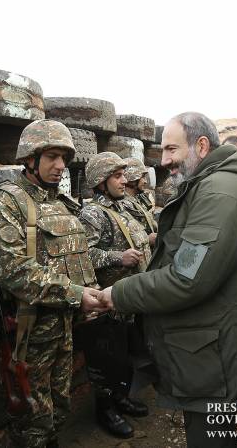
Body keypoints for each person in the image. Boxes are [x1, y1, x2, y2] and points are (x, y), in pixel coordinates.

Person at [94, 112, 237, 448]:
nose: (164, 161)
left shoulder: (221, 193)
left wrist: (115, 294)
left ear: (202, 145)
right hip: (211, 347)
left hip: (217, 355)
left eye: (171, 150)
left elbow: (186, 278)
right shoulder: (213, 186)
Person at [0, 119, 101, 448]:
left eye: (63, 157)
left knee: (59, 408)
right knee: (33, 420)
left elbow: (75, 255)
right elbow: (13, 272)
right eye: (51, 156)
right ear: (29, 159)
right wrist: (77, 294)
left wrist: (84, 295)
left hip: (63, 327)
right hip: (30, 334)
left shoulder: (59, 201)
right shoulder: (7, 204)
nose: (60, 165)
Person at [77, 152, 152, 439]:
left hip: (128, 299)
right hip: (109, 303)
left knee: (125, 356)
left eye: (124, 176)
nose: (124, 181)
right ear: (100, 181)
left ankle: (121, 398)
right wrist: (117, 257)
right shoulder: (93, 213)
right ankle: (105, 408)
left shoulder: (122, 208)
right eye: (117, 176)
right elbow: (85, 255)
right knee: (106, 359)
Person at [123, 157, 158, 245]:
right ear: (133, 178)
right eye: (142, 177)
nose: (146, 181)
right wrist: (147, 239)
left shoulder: (138, 199)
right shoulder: (123, 204)